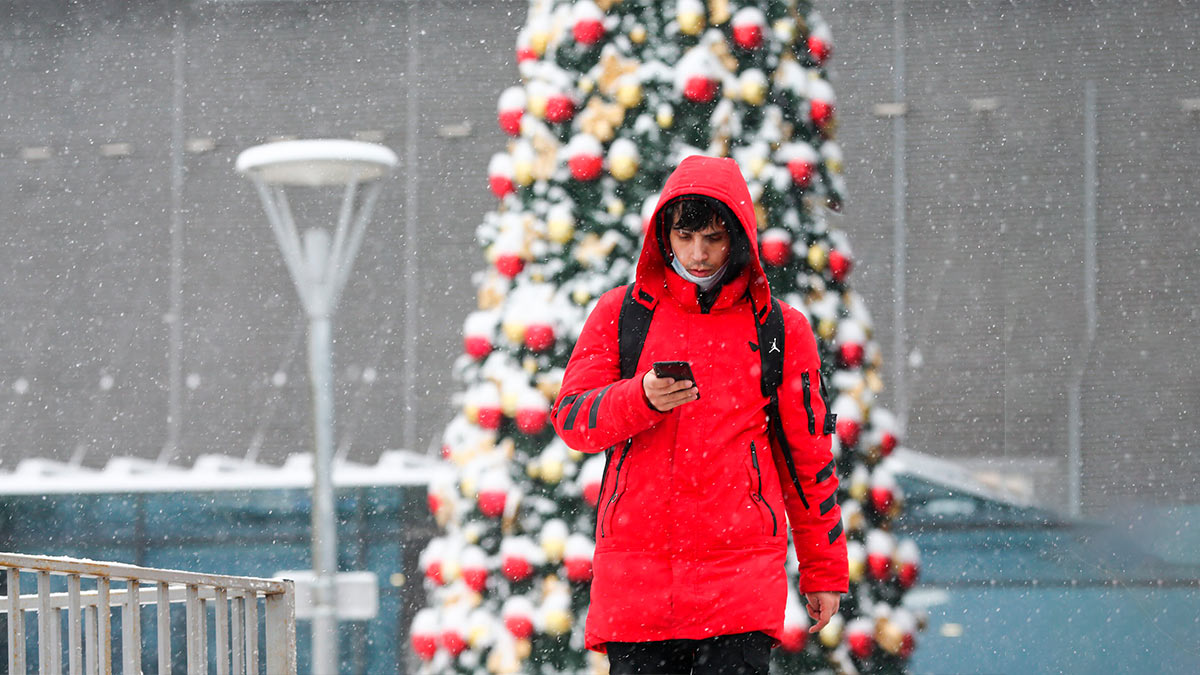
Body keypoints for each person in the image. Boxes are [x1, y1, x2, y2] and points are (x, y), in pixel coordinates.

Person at [551, 155, 848, 674]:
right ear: (664, 234)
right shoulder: (621, 314)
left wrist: (823, 570)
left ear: (739, 237)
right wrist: (638, 399)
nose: (698, 253)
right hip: (637, 587)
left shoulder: (779, 329)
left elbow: (808, 459)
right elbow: (573, 418)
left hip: (739, 583)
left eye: (713, 237)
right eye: (685, 237)